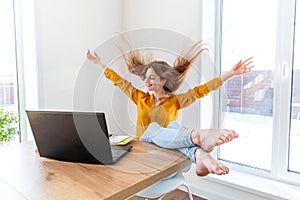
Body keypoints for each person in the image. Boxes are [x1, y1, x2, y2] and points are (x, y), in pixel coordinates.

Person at [87, 41, 253, 176]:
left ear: (163, 81)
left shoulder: (175, 102)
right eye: (145, 77)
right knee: (155, 128)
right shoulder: (140, 98)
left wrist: (231, 73)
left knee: (174, 128)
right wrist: (99, 63)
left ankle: (201, 157)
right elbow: (119, 81)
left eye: (151, 77)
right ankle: (197, 142)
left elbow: (202, 90)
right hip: (144, 152)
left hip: (167, 152)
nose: (146, 81)